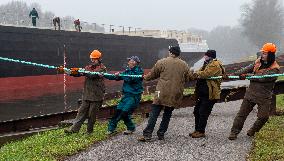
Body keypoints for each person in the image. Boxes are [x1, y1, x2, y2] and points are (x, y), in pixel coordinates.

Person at [138, 46, 195, 142]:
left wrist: (145, 77)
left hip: (161, 91)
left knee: (154, 113)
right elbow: (189, 78)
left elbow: (152, 75)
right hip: (175, 93)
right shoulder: (184, 64)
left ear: (170, 52)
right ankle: (161, 134)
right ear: (178, 54)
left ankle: (147, 134)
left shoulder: (162, 62)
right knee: (167, 114)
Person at [228, 43, 280, 140]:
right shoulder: (258, 62)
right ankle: (234, 132)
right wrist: (233, 74)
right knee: (241, 115)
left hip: (264, 97)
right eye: (262, 53)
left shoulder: (275, 69)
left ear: (270, 55)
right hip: (251, 94)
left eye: (264, 53)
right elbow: (246, 69)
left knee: (264, 117)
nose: (262, 55)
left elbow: (261, 78)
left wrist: (247, 76)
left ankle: (252, 131)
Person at [63, 50, 107, 134]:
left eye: (94, 59)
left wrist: (83, 71)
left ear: (99, 59)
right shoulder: (88, 67)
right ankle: (73, 130)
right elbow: (80, 73)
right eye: (92, 59)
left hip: (97, 96)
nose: (92, 60)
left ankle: (89, 131)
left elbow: (92, 74)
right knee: (81, 113)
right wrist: (69, 72)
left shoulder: (102, 68)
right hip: (87, 95)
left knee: (92, 115)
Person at [103, 56, 144, 135]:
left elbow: (131, 79)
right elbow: (115, 77)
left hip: (134, 96)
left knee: (125, 113)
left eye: (129, 60)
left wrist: (120, 75)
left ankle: (131, 127)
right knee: (117, 112)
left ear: (134, 62)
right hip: (126, 96)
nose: (128, 62)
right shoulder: (127, 71)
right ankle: (111, 129)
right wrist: (104, 75)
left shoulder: (139, 72)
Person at [190, 50, 225, 138]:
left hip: (210, 94)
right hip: (203, 93)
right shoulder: (207, 63)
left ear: (209, 56)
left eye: (205, 55)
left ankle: (201, 131)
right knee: (196, 111)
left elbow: (206, 74)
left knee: (203, 112)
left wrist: (196, 73)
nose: (204, 57)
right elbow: (201, 71)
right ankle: (197, 130)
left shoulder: (215, 64)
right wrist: (196, 73)